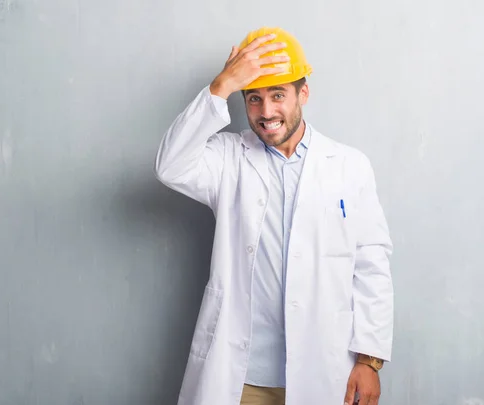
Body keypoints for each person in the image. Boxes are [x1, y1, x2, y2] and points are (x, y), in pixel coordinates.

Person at [154, 27, 393, 405]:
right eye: (254, 99)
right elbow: (171, 166)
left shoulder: (349, 166)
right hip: (241, 376)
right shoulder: (228, 158)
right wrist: (222, 85)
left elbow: (371, 265)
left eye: (278, 95)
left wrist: (370, 360)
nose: (266, 113)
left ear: (304, 93)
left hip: (324, 370)